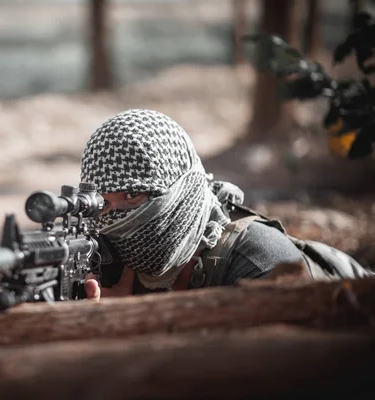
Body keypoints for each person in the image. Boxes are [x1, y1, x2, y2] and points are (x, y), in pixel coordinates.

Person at [80, 109, 373, 302]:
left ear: (180, 188)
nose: (115, 217)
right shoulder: (105, 258)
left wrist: (122, 323)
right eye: (103, 203)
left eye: (132, 196)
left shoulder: (262, 264)